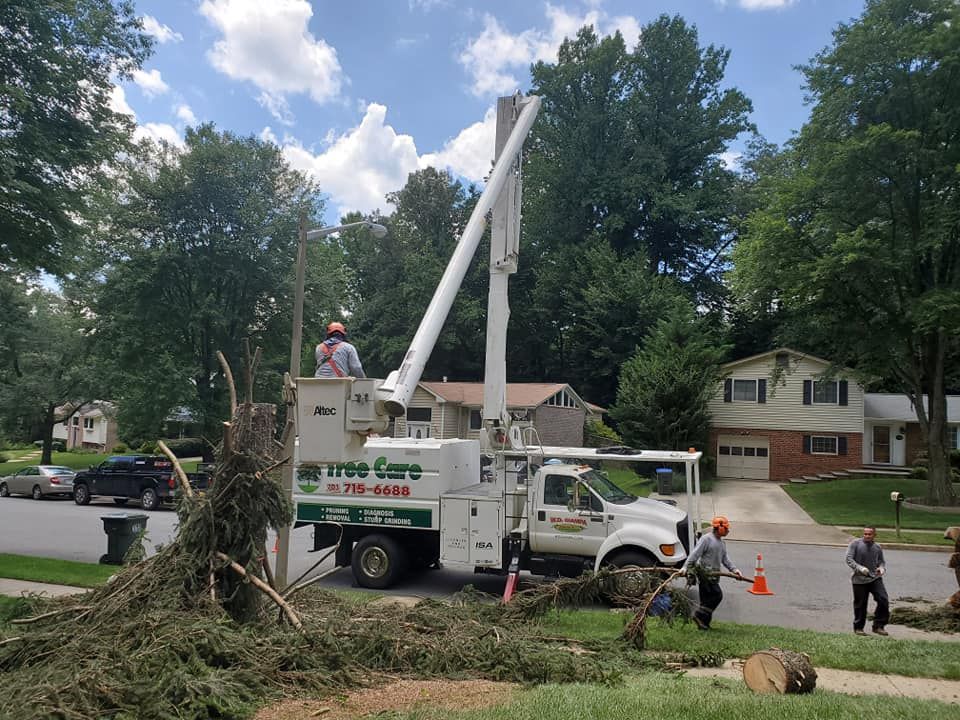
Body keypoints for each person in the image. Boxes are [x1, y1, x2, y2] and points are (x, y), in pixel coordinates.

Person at [683, 515, 742, 630]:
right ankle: (699, 615)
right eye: (726, 528)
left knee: (706, 600)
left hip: (715, 576)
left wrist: (734, 570)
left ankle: (704, 624)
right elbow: (695, 554)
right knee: (717, 595)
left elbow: (725, 559)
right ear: (719, 527)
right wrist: (685, 567)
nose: (728, 531)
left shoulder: (722, 543)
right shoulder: (706, 539)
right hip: (705, 575)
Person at [845, 526, 889, 636]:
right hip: (859, 579)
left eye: (869, 534)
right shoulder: (855, 544)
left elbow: (881, 562)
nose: (867, 536)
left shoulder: (877, 547)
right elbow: (849, 559)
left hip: (874, 578)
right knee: (860, 604)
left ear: (874, 535)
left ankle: (878, 626)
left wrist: (881, 568)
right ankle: (858, 628)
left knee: (883, 599)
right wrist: (860, 568)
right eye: (865, 534)